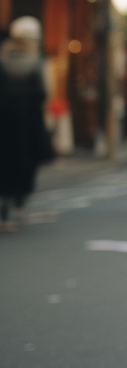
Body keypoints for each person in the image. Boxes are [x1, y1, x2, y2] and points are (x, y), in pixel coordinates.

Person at [0, 17, 55, 231]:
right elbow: (44, 91)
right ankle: (20, 203)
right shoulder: (37, 61)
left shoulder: (2, 57)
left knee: (4, 162)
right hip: (29, 120)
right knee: (26, 163)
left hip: (3, 120)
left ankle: (4, 207)